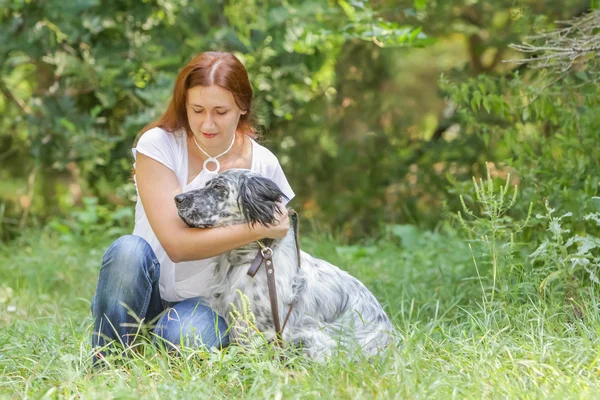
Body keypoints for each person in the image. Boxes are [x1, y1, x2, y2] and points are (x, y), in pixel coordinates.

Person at [91, 51, 294, 362]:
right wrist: (258, 227)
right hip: (145, 288)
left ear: (242, 107)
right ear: (183, 106)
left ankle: (160, 340)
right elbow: (176, 245)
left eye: (220, 111)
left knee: (182, 339)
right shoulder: (158, 144)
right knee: (126, 251)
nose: (207, 123)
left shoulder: (262, 165)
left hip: (208, 302)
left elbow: (279, 249)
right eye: (197, 110)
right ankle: (109, 360)